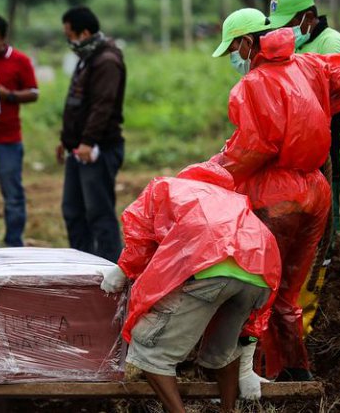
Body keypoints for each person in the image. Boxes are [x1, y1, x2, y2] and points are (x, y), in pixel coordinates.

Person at [210, 8, 340, 382]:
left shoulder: (252, 85)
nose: (235, 57)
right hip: (315, 194)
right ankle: (295, 373)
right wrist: (312, 111)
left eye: (234, 47)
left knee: (259, 288)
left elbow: (255, 148)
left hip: (277, 199)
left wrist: (215, 171)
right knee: (288, 293)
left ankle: (257, 375)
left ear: (248, 43)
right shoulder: (310, 65)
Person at [100, 162, 281, 413]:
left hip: (211, 266)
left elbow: (141, 233)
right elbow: (254, 322)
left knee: (151, 354)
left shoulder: (167, 187)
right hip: (260, 274)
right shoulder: (234, 199)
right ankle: (229, 410)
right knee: (225, 350)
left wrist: (123, 269)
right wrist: (246, 365)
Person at [268, 0, 340, 336]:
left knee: (324, 237)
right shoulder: (300, 43)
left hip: (328, 159)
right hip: (300, 165)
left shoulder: (331, 45)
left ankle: (320, 310)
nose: (282, 29)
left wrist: (319, 163)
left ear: (307, 17)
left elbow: (336, 114)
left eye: (288, 21)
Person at [57, 6, 125, 262]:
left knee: (99, 212)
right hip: (78, 148)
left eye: (69, 34)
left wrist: (87, 141)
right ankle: (82, 266)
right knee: (73, 210)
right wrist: (66, 140)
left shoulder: (106, 60)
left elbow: (102, 105)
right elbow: (76, 103)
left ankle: (109, 267)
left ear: (83, 33)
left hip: (98, 149)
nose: (68, 40)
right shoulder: (88, 56)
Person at [0, 14, 39, 247]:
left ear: (4, 39)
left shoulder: (20, 60)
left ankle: (14, 243)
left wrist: (8, 95)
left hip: (8, 140)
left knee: (12, 195)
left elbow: (34, 92)